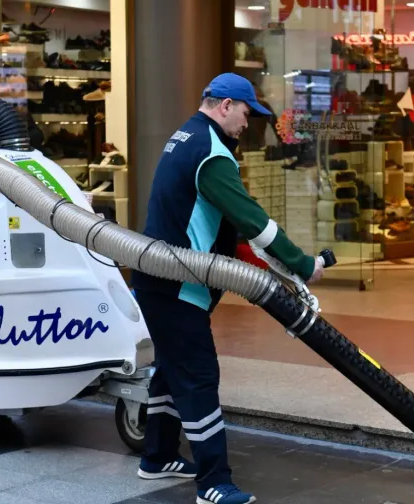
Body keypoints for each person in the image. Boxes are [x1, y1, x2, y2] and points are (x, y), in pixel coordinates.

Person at [130, 72, 324, 504]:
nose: (247, 124)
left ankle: (157, 457)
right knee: (198, 377)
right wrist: (303, 264)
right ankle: (214, 483)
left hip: (158, 279)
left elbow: (221, 224)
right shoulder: (212, 153)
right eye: (245, 114)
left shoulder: (186, 134)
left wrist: (271, 269)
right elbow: (252, 219)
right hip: (177, 284)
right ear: (224, 106)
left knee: (171, 370)